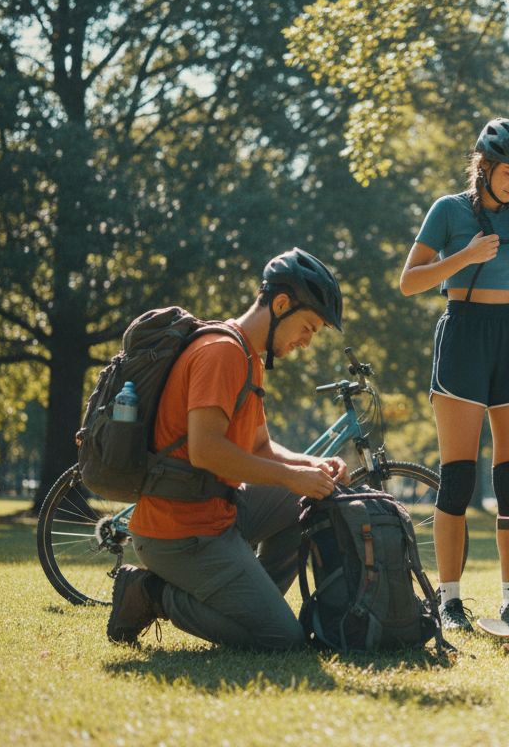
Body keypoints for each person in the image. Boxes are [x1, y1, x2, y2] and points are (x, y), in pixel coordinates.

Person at [106, 248, 349, 649]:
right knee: (282, 640)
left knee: (306, 497)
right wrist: (292, 476)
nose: (306, 342)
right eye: (308, 327)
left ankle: (249, 601)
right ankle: (150, 592)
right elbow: (206, 451)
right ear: (282, 304)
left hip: (218, 512)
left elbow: (259, 447)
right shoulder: (222, 354)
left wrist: (313, 465)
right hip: (180, 533)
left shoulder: (249, 357)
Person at [398, 118, 509, 633]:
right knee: (459, 478)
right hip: (464, 334)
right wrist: (464, 257)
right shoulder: (447, 211)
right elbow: (408, 283)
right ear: (484, 166)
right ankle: (450, 601)